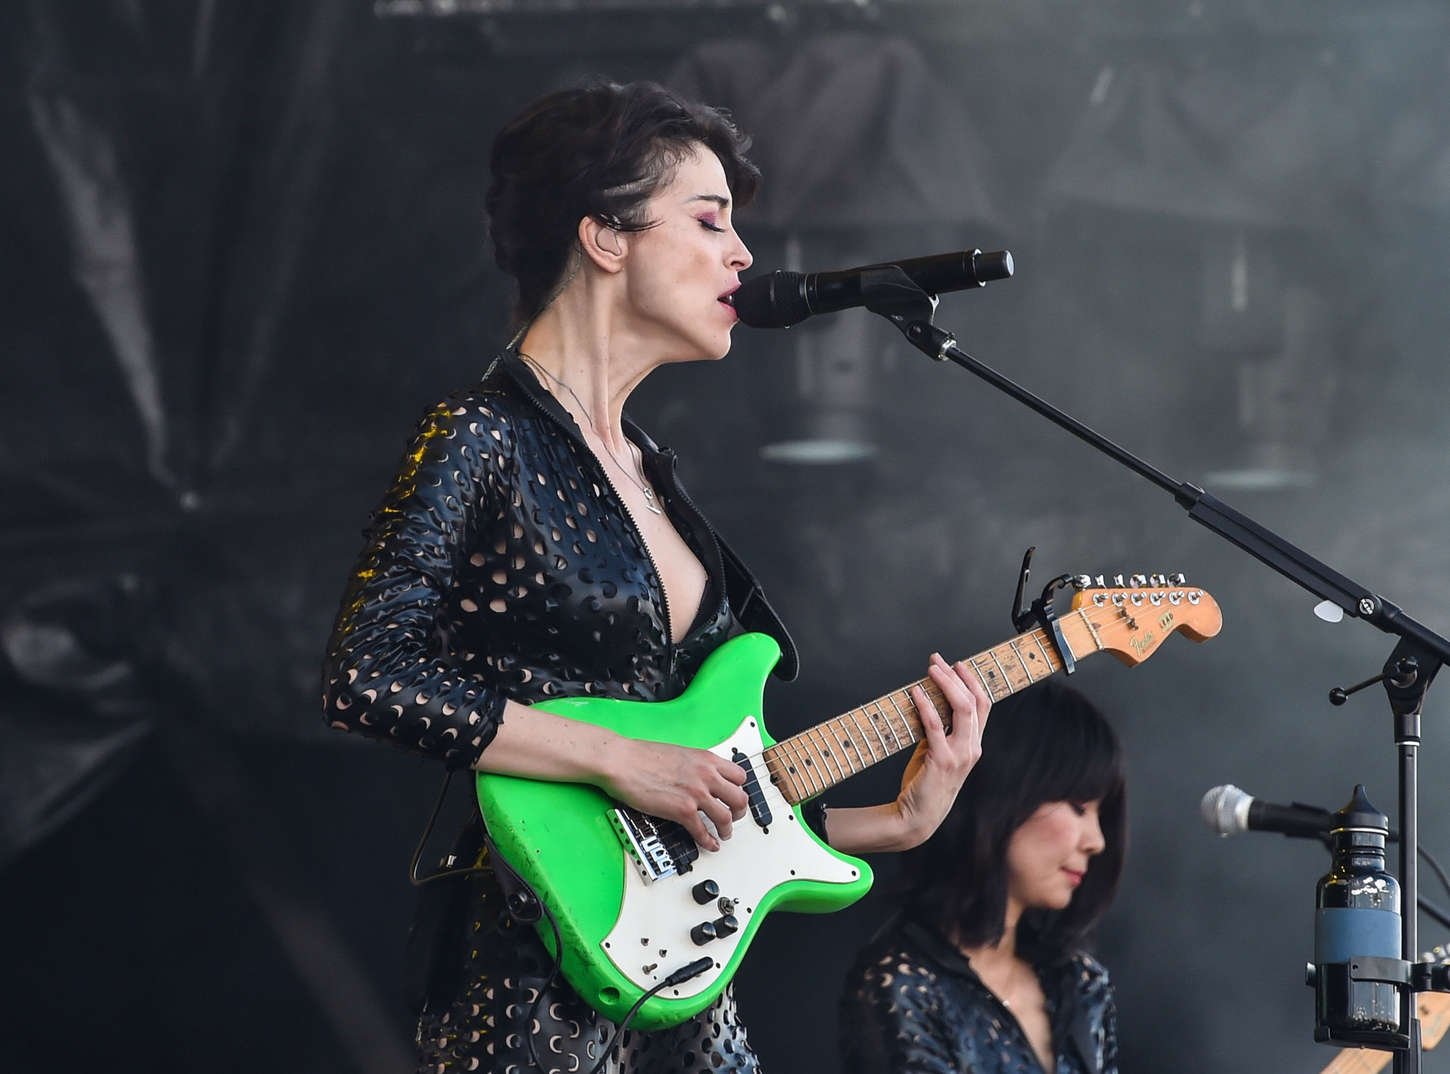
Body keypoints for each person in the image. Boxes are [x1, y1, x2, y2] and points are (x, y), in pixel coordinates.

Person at [322, 79, 993, 1074]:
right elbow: (366, 678)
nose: (743, 254)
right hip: (526, 969)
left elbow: (693, 793)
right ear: (605, 237)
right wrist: (615, 758)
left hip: (686, 989)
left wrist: (891, 822)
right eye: (709, 219)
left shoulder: (649, 469)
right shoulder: (481, 436)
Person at [839, 681, 1126, 1074]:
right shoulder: (902, 985)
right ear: (1006, 791)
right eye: (1078, 807)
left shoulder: (1081, 983)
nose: (1097, 841)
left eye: (1099, 813)